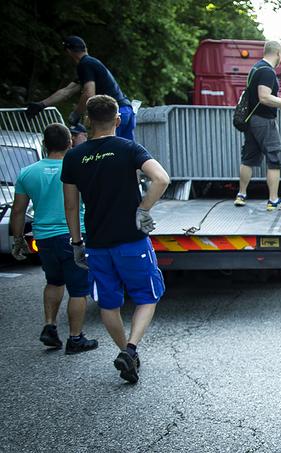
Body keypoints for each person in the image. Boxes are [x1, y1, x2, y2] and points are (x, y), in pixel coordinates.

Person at [61, 95, 170, 384]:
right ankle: (132, 349)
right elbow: (161, 179)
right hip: (132, 241)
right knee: (148, 297)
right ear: (118, 120)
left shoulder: (74, 156)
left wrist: (76, 243)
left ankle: (125, 351)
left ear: (87, 120)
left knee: (109, 305)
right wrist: (142, 209)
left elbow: (71, 206)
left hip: (97, 244)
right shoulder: (128, 148)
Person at [9, 123, 98, 354]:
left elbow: (18, 211)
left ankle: (50, 326)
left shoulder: (27, 173)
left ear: (44, 144)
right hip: (74, 236)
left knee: (53, 281)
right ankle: (75, 338)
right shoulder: (77, 170)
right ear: (70, 142)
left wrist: (18, 239)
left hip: (44, 238)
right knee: (78, 289)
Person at [25, 36, 136, 140]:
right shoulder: (91, 64)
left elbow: (89, 93)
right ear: (85, 48)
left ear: (68, 51)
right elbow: (67, 91)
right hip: (126, 110)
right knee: (128, 153)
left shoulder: (85, 64)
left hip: (113, 113)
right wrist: (41, 104)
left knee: (110, 153)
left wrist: (77, 113)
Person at [234, 40, 281, 211]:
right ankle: (273, 200)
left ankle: (241, 195)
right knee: (274, 158)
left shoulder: (255, 68)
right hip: (264, 120)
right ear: (279, 53)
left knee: (249, 157)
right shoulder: (267, 72)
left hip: (251, 120)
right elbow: (264, 97)